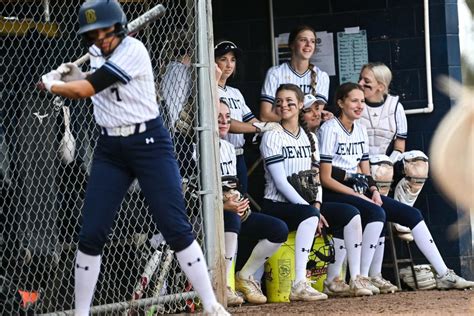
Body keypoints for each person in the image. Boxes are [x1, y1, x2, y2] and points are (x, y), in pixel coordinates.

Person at [39, 1, 228, 314]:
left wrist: (55, 84)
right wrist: (76, 75)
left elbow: (87, 90)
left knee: (175, 226)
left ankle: (211, 303)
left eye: (106, 30)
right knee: (92, 232)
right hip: (111, 147)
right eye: (94, 33)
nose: (101, 38)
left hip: (149, 142)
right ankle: (81, 312)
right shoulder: (99, 54)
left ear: (119, 26)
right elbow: (94, 85)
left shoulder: (134, 50)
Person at [318, 82, 474, 292]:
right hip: (335, 191)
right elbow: (325, 178)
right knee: (375, 212)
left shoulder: (360, 130)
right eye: (354, 100)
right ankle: (363, 278)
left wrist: (373, 191)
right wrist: (360, 196)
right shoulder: (329, 129)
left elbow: (365, 172)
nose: (359, 105)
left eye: (362, 101)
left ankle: (444, 274)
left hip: (359, 188)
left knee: (412, 214)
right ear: (340, 102)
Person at [259, 83, 328, 301]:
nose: (284, 105)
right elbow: (280, 183)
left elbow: (315, 179)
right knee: (309, 216)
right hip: (275, 203)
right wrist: (310, 210)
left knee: (348, 214)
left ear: (300, 105)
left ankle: (341, 279)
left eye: (290, 101)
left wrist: (316, 205)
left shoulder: (311, 138)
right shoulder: (272, 135)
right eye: (279, 102)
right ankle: (299, 283)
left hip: (302, 203)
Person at [301, 94, 374, 297]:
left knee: (363, 212)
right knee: (352, 212)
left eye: (319, 108)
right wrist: (314, 209)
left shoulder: (316, 136)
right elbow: (324, 176)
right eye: (310, 110)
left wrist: (371, 189)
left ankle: (348, 278)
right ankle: (354, 277)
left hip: (319, 198)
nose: (317, 113)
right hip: (307, 200)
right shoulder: (324, 131)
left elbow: (324, 175)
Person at [217, 99, 288, 305]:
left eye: (227, 118)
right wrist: (223, 206)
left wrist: (238, 204)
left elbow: (231, 187)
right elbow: (189, 194)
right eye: (218, 118)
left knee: (277, 229)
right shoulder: (193, 149)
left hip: (230, 211)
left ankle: (244, 276)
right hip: (204, 216)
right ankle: (224, 286)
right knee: (231, 218)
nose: (223, 122)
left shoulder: (229, 148)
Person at [215, 40, 280, 192]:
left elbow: (251, 120)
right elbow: (228, 124)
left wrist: (268, 129)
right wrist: (262, 127)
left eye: (232, 60)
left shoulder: (235, 92)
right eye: (223, 59)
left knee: (241, 200)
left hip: (238, 154)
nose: (229, 65)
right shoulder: (210, 90)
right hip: (219, 156)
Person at [260, 25, 330, 122]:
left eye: (313, 41)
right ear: (292, 45)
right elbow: (265, 116)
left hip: (308, 135)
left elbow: (314, 116)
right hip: (280, 133)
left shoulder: (322, 76)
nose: (308, 44)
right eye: (303, 40)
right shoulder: (275, 73)